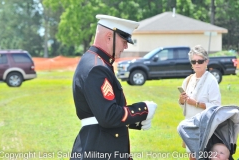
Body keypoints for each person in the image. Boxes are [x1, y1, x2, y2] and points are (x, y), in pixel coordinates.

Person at [70, 14, 157, 160]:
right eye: (124, 40)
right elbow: (108, 116)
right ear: (109, 36)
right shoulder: (96, 67)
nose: (126, 46)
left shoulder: (96, 62)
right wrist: (143, 109)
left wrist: (134, 122)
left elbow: (98, 112)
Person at [178, 45, 221, 160]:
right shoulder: (188, 80)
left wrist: (196, 103)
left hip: (204, 127)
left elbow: (216, 107)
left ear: (206, 62)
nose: (197, 64)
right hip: (189, 125)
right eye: (194, 61)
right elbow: (182, 103)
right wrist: (182, 100)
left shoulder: (211, 81)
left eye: (200, 61)